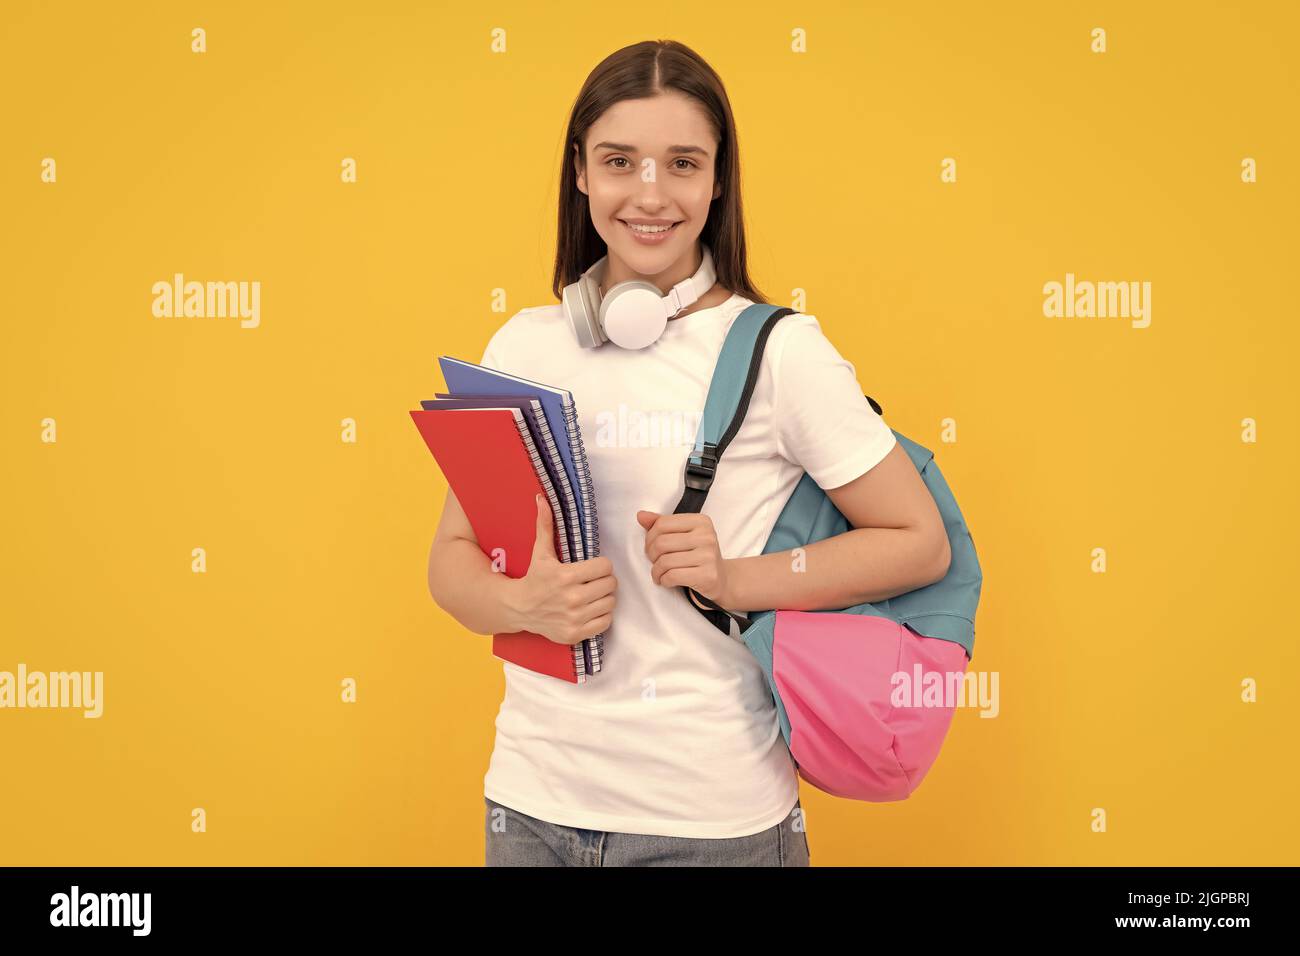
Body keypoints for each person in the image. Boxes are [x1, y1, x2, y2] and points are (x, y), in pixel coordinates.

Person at [427, 39, 951, 866]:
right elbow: (451, 561)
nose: (650, 193)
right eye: (619, 160)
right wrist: (525, 606)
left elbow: (919, 542)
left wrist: (735, 577)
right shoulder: (524, 345)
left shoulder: (780, 351)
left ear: (716, 180)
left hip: (711, 824)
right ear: (580, 174)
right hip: (529, 805)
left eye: (681, 162)